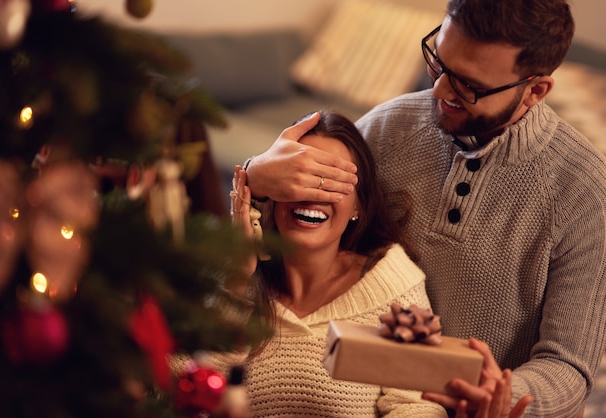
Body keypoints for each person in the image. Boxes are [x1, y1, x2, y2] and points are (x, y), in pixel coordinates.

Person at [240, 0, 606, 416]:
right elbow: (306, 211)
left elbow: (569, 367)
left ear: (535, 90)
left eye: (469, 86)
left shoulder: (586, 194)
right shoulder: (387, 128)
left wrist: (498, 393)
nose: (439, 91)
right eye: (439, 62)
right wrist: (254, 174)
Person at [223, 110, 530, 417]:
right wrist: (237, 278)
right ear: (274, 193)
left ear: (358, 205)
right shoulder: (231, 277)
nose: (313, 195)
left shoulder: (392, 285)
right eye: (302, 179)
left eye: (333, 183)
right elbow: (186, 387)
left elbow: (415, 406)